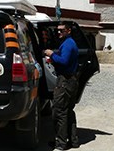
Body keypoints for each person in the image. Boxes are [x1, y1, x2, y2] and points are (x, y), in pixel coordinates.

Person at [44, 22, 80, 150]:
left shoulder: (68, 44)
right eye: (58, 31)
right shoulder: (69, 43)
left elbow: (64, 61)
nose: (59, 33)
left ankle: (61, 143)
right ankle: (73, 140)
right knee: (68, 111)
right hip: (72, 80)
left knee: (59, 112)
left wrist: (51, 54)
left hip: (65, 81)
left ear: (68, 31)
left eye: (62, 31)